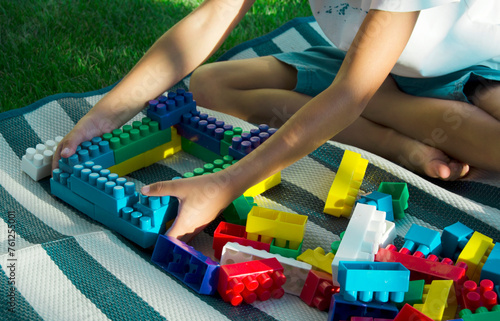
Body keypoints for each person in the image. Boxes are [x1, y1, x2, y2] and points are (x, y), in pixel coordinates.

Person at [53, 0, 500, 241]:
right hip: (367, 68)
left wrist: (226, 182)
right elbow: (217, 12)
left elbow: (347, 95)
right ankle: (402, 138)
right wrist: (104, 114)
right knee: (211, 86)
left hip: (477, 70)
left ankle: (404, 111)